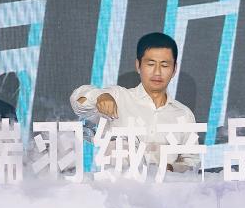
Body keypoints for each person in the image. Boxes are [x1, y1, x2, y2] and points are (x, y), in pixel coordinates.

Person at [70, 32, 198, 172]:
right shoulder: (119, 97)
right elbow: (78, 102)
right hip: (116, 184)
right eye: (151, 64)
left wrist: (170, 168)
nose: (157, 72)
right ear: (138, 65)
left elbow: (192, 163)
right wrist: (99, 97)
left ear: (174, 69)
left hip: (165, 186)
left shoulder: (184, 114)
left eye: (164, 65)